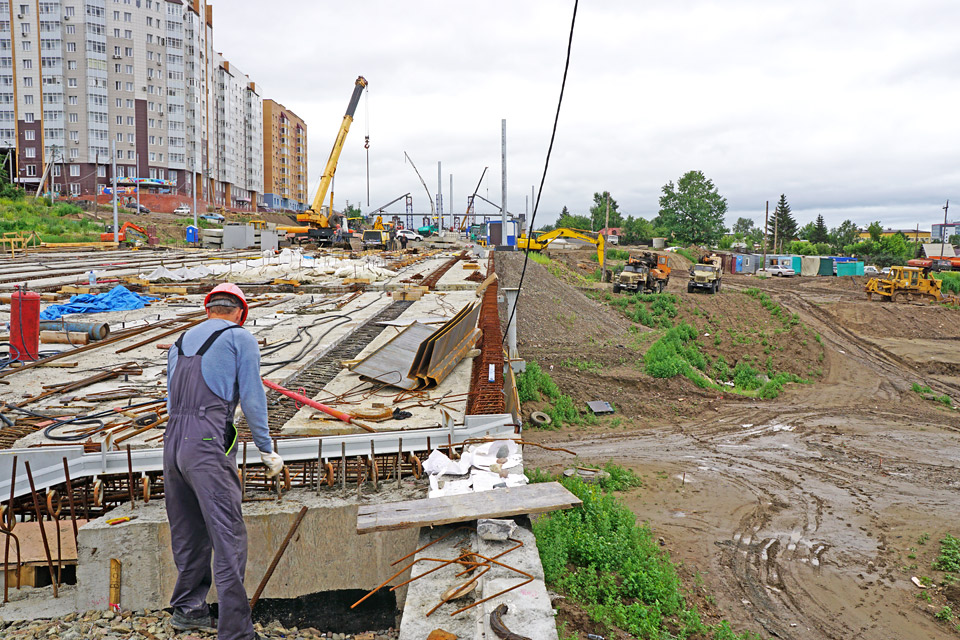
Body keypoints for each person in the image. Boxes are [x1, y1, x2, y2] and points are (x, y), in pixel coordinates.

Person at [163, 282, 283, 640]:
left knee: (188, 531)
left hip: (172, 444)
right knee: (228, 535)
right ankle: (235, 631)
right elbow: (251, 396)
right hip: (206, 441)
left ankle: (188, 610)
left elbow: (171, 401)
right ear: (240, 313)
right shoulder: (240, 338)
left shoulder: (179, 342)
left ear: (208, 309)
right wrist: (265, 447)